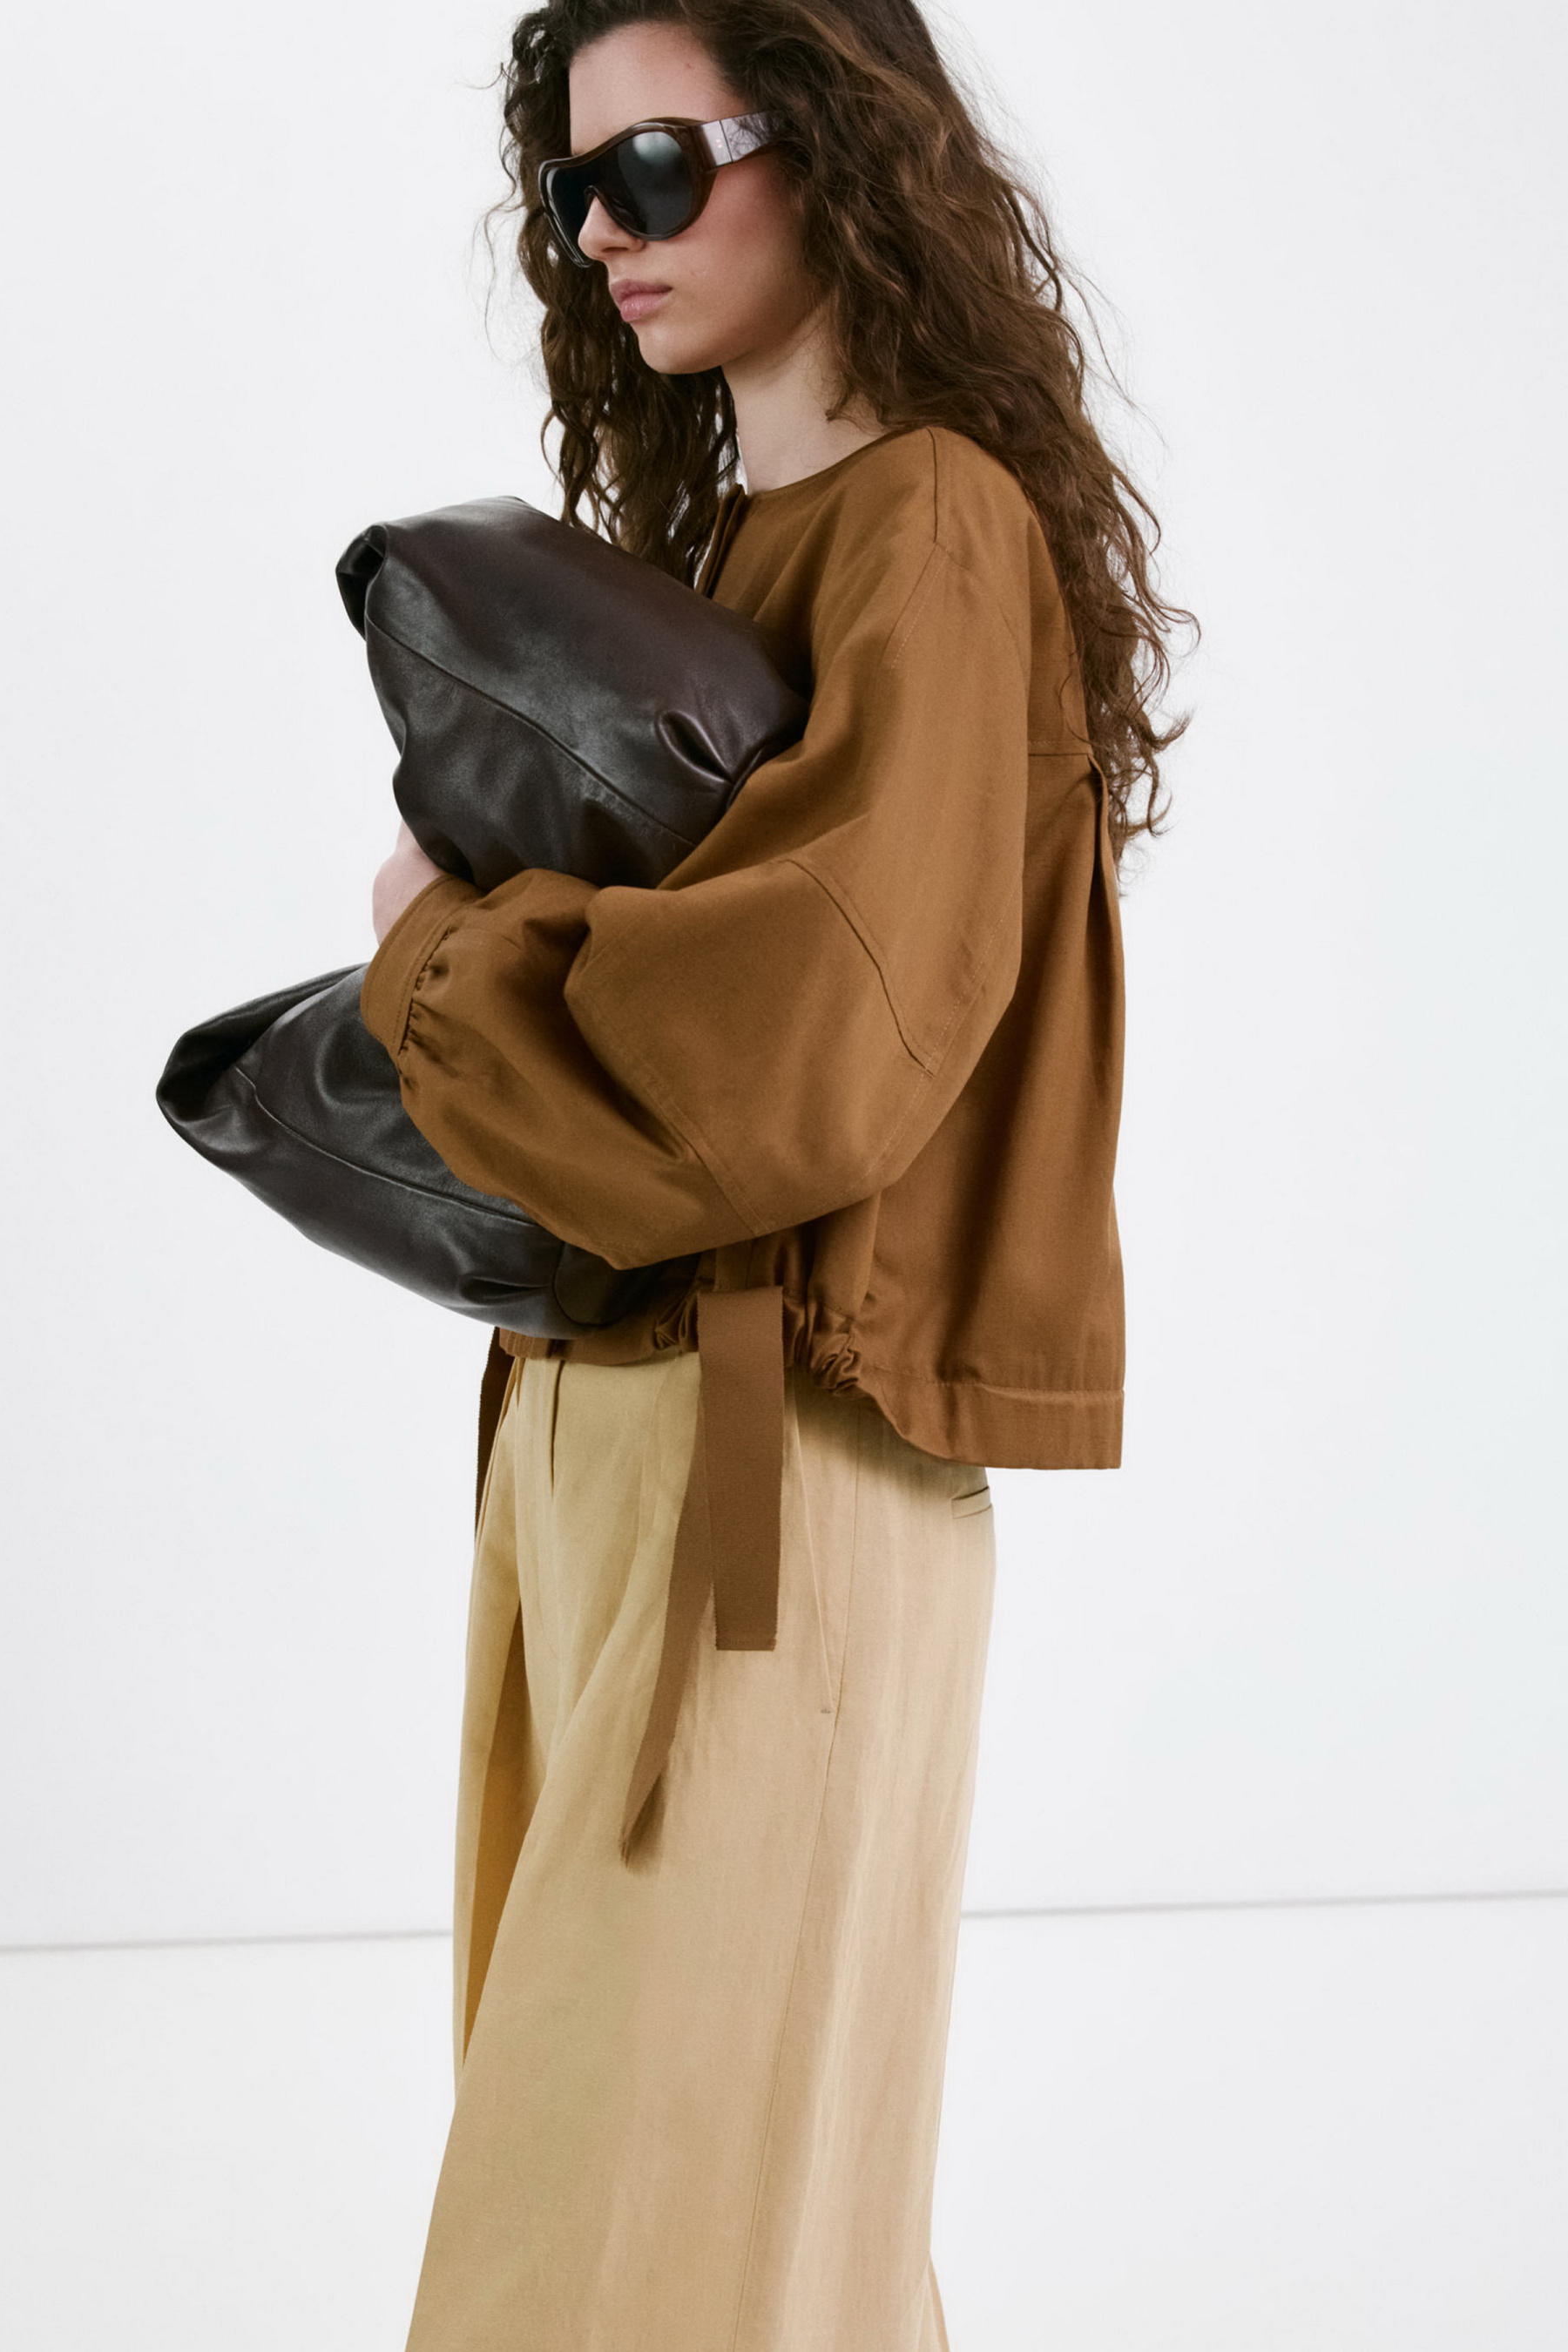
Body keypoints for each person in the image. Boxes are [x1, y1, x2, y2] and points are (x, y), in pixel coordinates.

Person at [364, 3, 1190, 2344]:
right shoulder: (734, 541)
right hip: (617, 1422)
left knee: (632, 2229)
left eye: (657, 167)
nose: (603, 232)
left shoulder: (929, 523)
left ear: (829, 147)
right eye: (574, 187)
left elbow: (798, 1042)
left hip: (773, 1452)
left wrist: (440, 957)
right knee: (693, 2202)